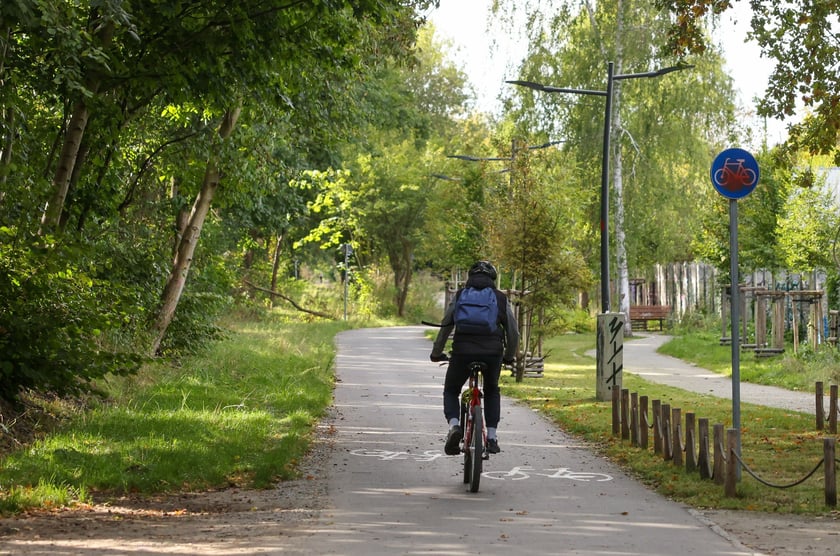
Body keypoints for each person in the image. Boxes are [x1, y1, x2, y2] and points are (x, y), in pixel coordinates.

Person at [430, 260, 519, 455]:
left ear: (470, 277)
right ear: (492, 279)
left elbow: (446, 325)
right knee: (492, 389)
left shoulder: (461, 295)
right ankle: (493, 438)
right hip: (492, 353)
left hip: (462, 351)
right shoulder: (500, 298)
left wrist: (436, 352)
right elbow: (513, 332)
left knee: (451, 390)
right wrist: (509, 356)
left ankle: (454, 426)